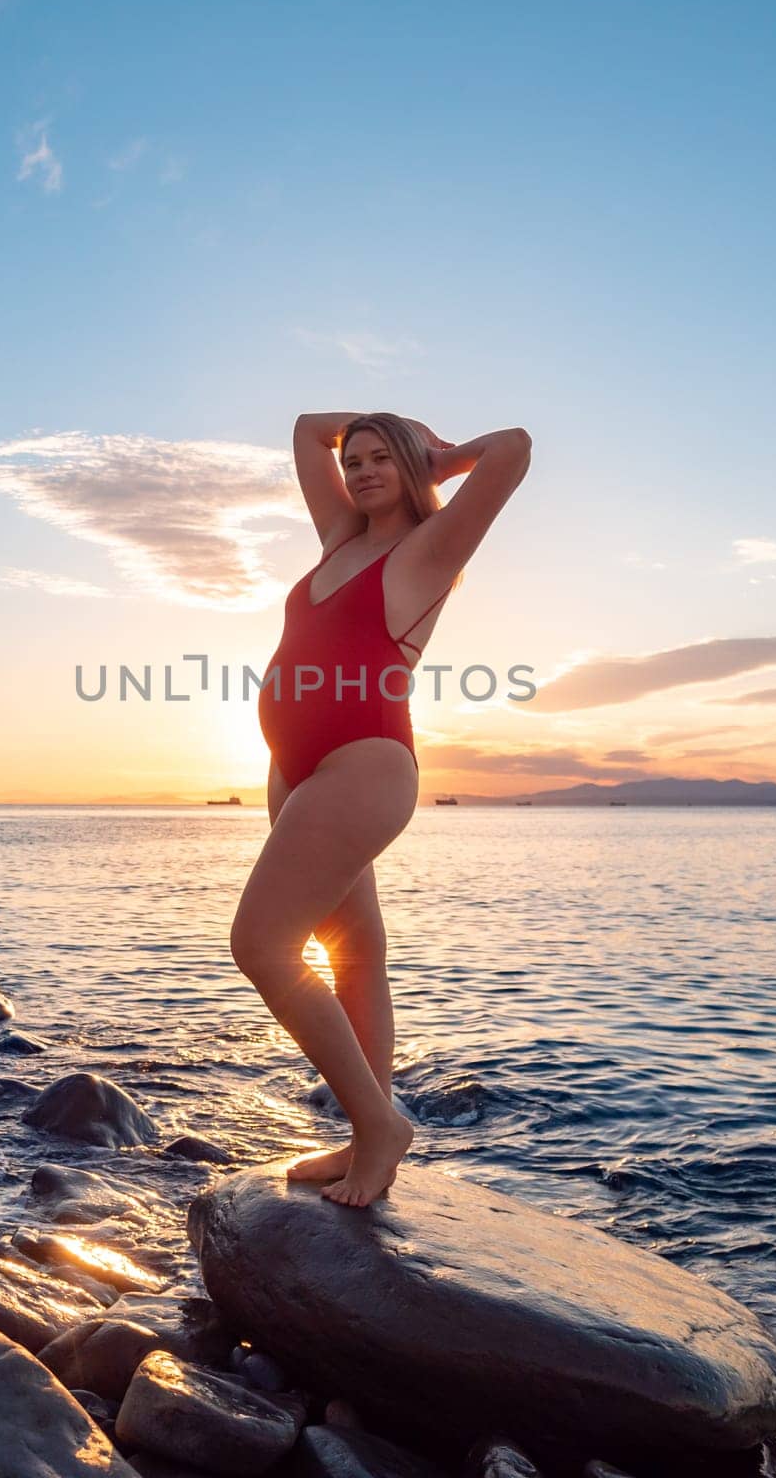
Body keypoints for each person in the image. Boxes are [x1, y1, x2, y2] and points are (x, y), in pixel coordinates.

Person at [230, 410, 532, 1207]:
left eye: (378, 460)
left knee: (261, 946)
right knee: (355, 953)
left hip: (362, 766)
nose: (360, 470)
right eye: (355, 458)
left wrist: (433, 455)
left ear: (409, 469)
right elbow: (301, 429)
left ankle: (381, 1124)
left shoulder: (428, 550)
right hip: (293, 769)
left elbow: (514, 449)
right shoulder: (338, 538)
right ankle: (370, 1130)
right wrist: (370, 431)